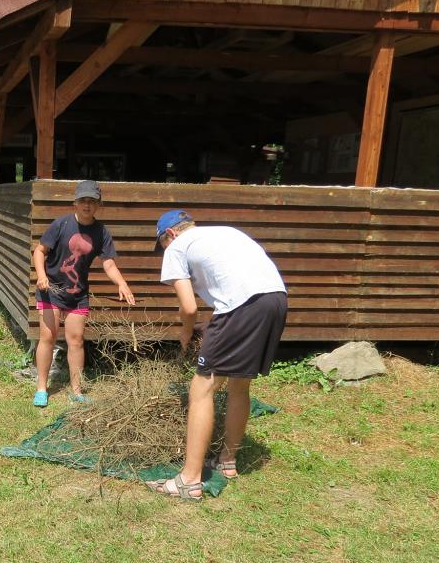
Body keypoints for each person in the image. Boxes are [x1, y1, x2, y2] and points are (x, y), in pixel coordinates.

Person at [150, 209, 287, 501]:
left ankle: (189, 481)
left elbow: (189, 307)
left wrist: (186, 332)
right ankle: (226, 461)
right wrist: (213, 324)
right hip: (276, 300)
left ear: (170, 234)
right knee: (239, 384)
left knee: (201, 388)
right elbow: (237, 288)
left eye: (162, 244)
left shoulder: (177, 246)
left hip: (243, 308)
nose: (164, 250)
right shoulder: (225, 233)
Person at [32, 179, 135, 406]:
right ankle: (41, 388)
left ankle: (76, 392)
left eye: (92, 201)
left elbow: (108, 262)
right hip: (51, 290)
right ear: (75, 203)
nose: (87, 205)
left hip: (77, 295)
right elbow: (39, 251)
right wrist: (41, 275)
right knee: (48, 337)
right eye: (83, 200)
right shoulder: (61, 224)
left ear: (98, 204)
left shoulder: (101, 232)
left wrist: (121, 283)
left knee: (76, 340)